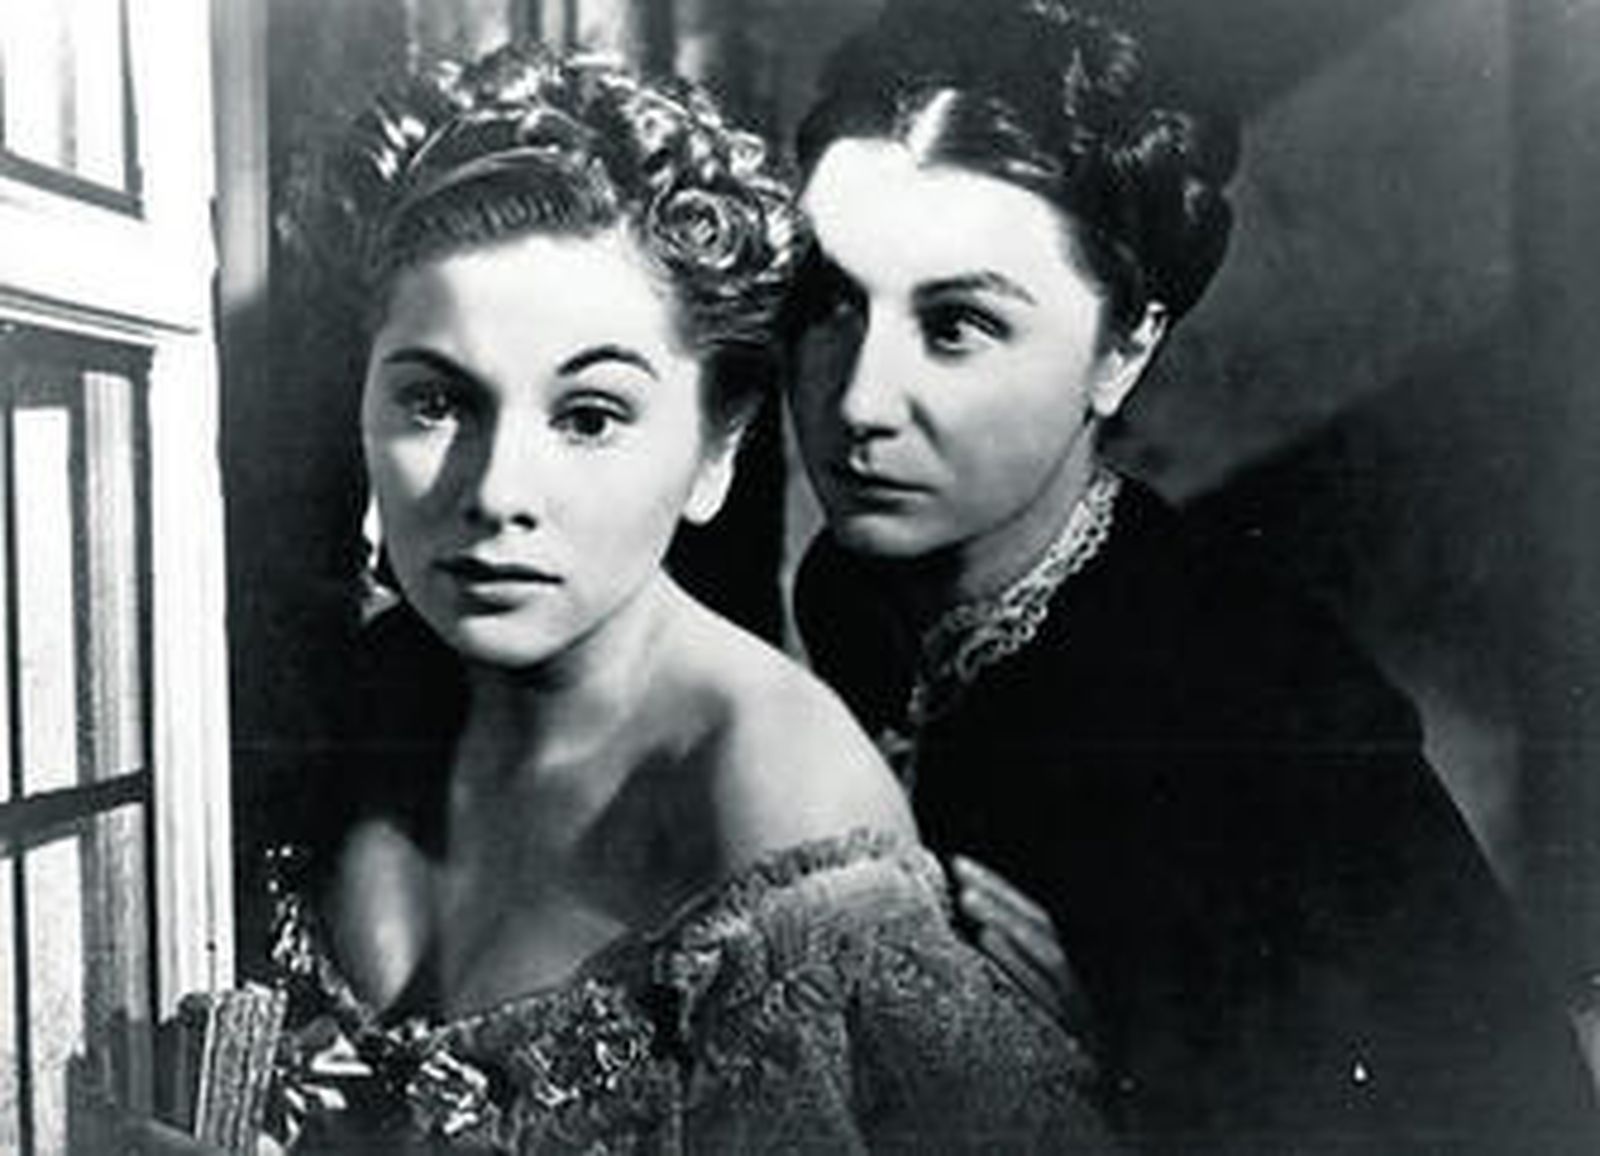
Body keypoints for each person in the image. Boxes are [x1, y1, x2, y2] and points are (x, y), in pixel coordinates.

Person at [255, 42, 1111, 1155]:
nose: (497, 493)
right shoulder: (339, 697)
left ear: (717, 449)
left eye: (590, 416)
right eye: (435, 401)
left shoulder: (775, 798)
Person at [784, 1, 1600, 1152]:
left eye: (957, 324)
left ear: (1122, 348)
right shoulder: (853, 592)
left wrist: (1109, 1068)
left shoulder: (1258, 701)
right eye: (829, 300)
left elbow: (1523, 1121)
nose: (862, 401)